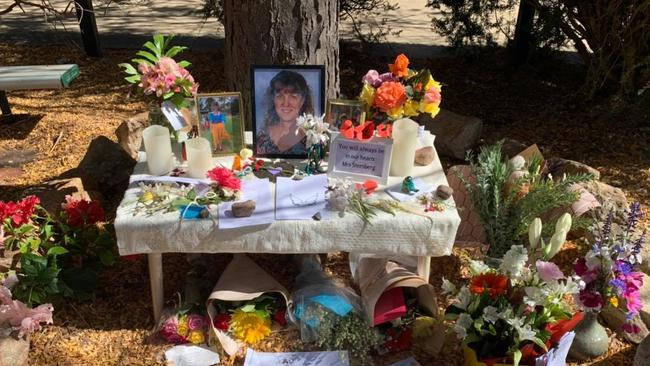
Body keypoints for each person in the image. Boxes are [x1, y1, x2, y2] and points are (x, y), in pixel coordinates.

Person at [256, 70, 315, 155]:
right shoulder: (262, 137)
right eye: (279, 96)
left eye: (293, 96)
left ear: (302, 101)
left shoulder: (311, 138)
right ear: (273, 100)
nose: (286, 103)